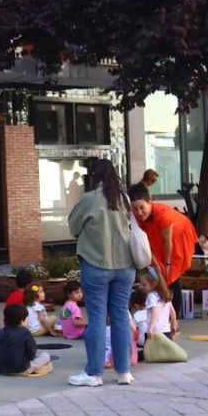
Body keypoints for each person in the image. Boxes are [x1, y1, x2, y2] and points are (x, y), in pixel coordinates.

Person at [66, 158, 136, 388]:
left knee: (96, 319)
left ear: (93, 176)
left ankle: (94, 373)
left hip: (96, 264)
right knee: (120, 317)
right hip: (126, 267)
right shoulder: (124, 199)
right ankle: (124, 371)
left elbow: (74, 228)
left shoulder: (89, 199)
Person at [128, 184, 198, 294]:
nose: (139, 213)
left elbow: (167, 242)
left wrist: (167, 265)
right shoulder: (134, 216)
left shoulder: (163, 215)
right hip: (155, 237)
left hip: (177, 235)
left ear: (150, 202)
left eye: (142, 207)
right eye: (135, 209)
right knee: (157, 272)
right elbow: (144, 244)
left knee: (170, 276)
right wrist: (156, 264)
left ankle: (174, 308)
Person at [0, 303, 53, 377]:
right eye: (26, 318)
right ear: (21, 321)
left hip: (2, 368)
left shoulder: (2, 332)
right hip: (21, 368)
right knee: (45, 355)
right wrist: (29, 359)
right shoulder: (25, 332)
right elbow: (32, 352)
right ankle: (40, 368)